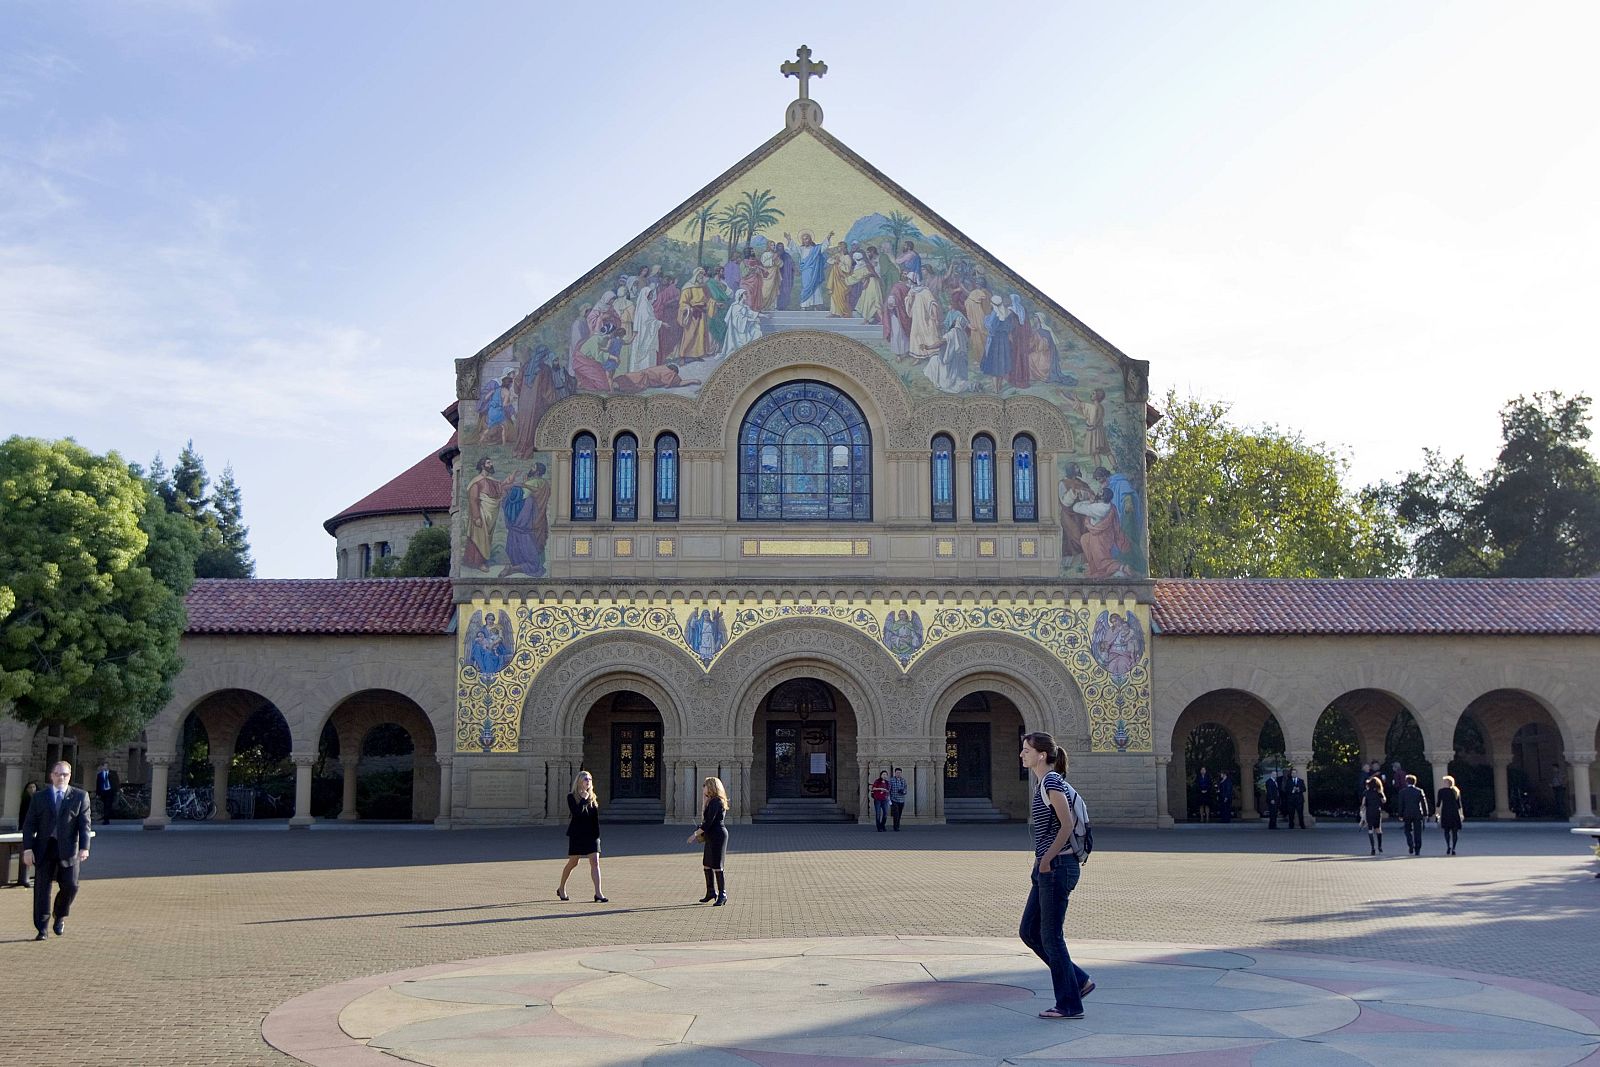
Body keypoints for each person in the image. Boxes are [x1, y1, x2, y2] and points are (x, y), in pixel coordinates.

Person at [1018, 731, 1093, 1020]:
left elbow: (1067, 824)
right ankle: (1079, 981)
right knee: (1029, 931)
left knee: (1051, 936)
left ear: (1042, 755)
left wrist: (1047, 860)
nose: (1022, 754)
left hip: (1058, 866)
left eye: (1026, 750)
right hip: (1047, 867)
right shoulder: (1043, 783)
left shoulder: (1050, 781)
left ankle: (1070, 1004)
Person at [21, 761, 91, 940]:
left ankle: (59, 915)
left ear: (69, 776)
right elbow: (29, 825)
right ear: (51, 776)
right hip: (44, 849)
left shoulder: (80, 796)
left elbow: (84, 825)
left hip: (69, 850)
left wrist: (85, 847)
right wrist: (28, 849)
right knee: (42, 890)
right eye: (58, 774)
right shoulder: (40, 797)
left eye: (65, 774)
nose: (61, 777)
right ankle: (42, 929)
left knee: (71, 885)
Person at [556, 771, 605, 903]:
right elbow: (576, 814)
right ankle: (561, 888)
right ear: (579, 781)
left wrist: (597, 836)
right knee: (573, 862)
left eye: (590, 779)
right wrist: (583, 799)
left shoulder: (593, 797)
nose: (588, 781)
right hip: (577, 834)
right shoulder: (571, 797)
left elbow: (595, 818)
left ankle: (598, 893)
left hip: (592, 835)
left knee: (595, 862)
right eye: (585, 779)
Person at [688, 776, 730, 905]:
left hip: (718, 834)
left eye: (705, 786)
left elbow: (708, 823)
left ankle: (722, 894)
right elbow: (705, 819)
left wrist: (694, 835)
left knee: (717, 864)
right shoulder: (711, 801)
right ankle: (711, 892)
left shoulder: (717, 802)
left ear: (711, 787)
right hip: (710, 835)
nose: (703, 788)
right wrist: (704, 801)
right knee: (707, 863)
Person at [1398, 773, 1431, 855]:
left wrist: (1400, 815)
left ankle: (1410, 844)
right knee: (1418, 832)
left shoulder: (1402, 792)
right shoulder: (1419, 791)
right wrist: (1426, 814)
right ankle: (1417, 849)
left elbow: (1401, 804)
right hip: (1417, 813)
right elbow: (1424, 803)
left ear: (1406, 782)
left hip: (1407, 813)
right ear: (1415, 782)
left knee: (1407, 831)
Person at [14, 782, 37, 887]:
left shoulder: (39, 799)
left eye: (33, 787)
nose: (32, 789)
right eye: (30, 787)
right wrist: (21, 827)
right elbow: (22, 814)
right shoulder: (26, 800)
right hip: (26, 829)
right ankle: (24, 878)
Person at [1436, 774, 1464, 855]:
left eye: (1444, 781)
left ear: (1447, 782)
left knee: (1446, 830)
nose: (1443, 783)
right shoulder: (1456, 791)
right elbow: (1459, 804)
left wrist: (1437, 813)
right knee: (1455, 832)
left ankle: (1448, 846)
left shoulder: (1441, 791)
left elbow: (1438, 803)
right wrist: (1461, 814)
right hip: (1455, 812)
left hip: (1445, 812)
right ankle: (1454, 848)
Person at [1361, 775, 1387, 855]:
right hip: (1377, 812)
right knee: (1378, 829)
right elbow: (1384, 801)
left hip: (1369, 812)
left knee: (1370, 830)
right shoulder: (1379, 792)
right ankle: (1380, 846)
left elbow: (1363, 803)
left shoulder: (1366, 792)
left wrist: (1362, 813)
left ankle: (1372, 848)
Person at [888, 767, 908, 831]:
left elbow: (905, 789)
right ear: (895, 773)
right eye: (897, 773)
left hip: (901, 800)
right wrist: (889, 800)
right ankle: (895, 827)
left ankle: (897, 826)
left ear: (901, 773)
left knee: (899, 814)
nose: (898, 774)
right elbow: (889, 790)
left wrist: (903, 791)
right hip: (894, 799)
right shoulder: (891, 780)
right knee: (896, 813)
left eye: (899, 773)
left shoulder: (903, 780)